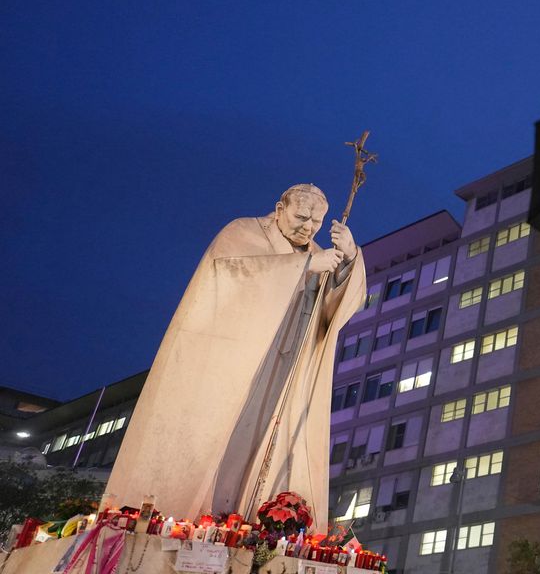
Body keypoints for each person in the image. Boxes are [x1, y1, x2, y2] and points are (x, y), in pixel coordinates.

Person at [104, 184, 366, 527]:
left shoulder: (320, 254)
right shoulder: (243, 232)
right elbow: (227, 275)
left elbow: (332, 313)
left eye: (315, 222)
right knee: (217, 440)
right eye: (301, 217)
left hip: (284, 368)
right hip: (233, 361)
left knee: (261, 447)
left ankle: (247, 519)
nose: (307, 227)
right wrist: (303, 266)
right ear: (279, 208)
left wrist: (348, 260)